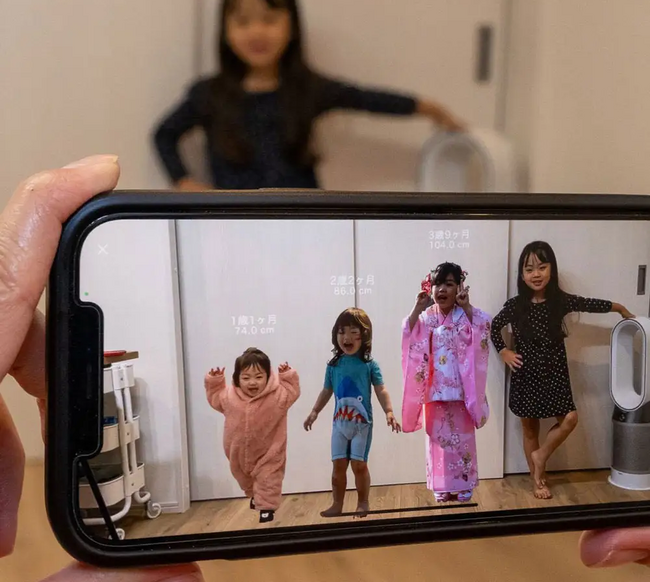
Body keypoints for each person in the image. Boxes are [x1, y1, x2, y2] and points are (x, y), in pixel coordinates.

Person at [0, 156, 647, 576]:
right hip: (420, 395)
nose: (448, 294)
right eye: (442, 287)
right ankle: (425, 489)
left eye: (453, 286)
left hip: (447, 395)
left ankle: (448, 491)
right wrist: (414, 323)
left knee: (449, 445)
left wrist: (383, 397)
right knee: (427, 443)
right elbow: (408, 344)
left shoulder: (469, 316)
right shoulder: (422, 322)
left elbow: (461, 337)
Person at [152, 0, 465, 192]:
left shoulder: (308, 89)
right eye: (243, 21)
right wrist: (184, 182)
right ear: (225, 30)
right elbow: (164, 134)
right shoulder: (209, 94)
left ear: (291, 26)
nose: (257, 31)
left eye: (269, 19)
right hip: (233, 226)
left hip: (307, 221)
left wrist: (429, 108)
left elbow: (365, 98)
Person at [490, 240, 634, 500]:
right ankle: (537, 479)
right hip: (525, 374)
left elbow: (589, 303)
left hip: (555, 374)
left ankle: (541, 456)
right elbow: (494, 327)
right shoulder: (515, 305)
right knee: (529, 429)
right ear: (522, 275)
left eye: (542, 267)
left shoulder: (560, 301)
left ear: (551, 270)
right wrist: (504, 352)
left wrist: (620, 308)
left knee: (569, 419)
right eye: (529, 269)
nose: (536, 274)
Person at [401, 263, 491, 503]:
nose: (442, 289)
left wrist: (467, 307)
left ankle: (464, 482)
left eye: (449, 284)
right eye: (437, 284)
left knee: (463, 439)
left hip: (461, 390)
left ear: (459, 287)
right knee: (437, 439)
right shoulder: (427, 316)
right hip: (435, 390)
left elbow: (483, 327)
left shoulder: (465, 314)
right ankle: (440, 484)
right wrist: (417, 307)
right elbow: (409, 331)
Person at [303, 307, 401, 518]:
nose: (346, 338)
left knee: (359, 465)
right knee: (338, 466)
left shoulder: (369, 364)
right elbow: (326, 391)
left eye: (353, 332)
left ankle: (363, 503)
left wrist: (389, 411)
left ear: (364, 335)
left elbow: (381, 389)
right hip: (339, 425)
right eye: (341, 332)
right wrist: (314, 411)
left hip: (362, 425)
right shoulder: (333, 365)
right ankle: (337, 504)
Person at [204, 347, 300, 523]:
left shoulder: (277, 396)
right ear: (237, 378)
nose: (252, 382)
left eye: (259, 377)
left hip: (269, 451)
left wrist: (287, 376)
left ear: (268, 376)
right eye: (246, 378)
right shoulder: (229, 396)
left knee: (268, 478)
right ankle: (254, 495)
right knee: (243, 478)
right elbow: (215, 398)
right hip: (237, 452)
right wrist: (215, 382)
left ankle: (266, 508)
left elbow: (292, 392)